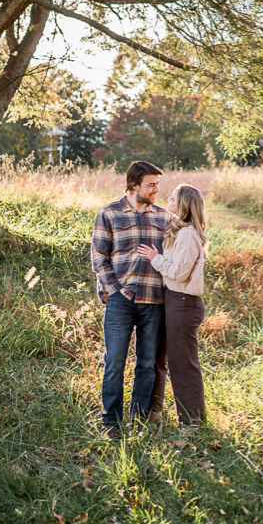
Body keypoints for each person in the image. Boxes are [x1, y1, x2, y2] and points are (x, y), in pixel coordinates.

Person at [90, 161, 170, 435]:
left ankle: (139, 421)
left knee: (147, 365)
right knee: (114, 362)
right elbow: (99, 257)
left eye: (158, 184)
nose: (156, 189)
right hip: (120, 301)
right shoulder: (109, 213)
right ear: (134, 185)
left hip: (154, 300)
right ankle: (111, 423)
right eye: (151, 184)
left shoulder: (164, 217)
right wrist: (113, 290)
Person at [137, 184, 208, 426]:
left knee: (182, 364)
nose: (168, 197)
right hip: (172, 301)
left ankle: (192, 423)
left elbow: (178, 273)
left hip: (184, 304)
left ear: (185, 204)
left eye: (174, 197)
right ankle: (153, 414)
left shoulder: (188, 235)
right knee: (159, 358)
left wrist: (155, 258)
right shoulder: (179, 230)